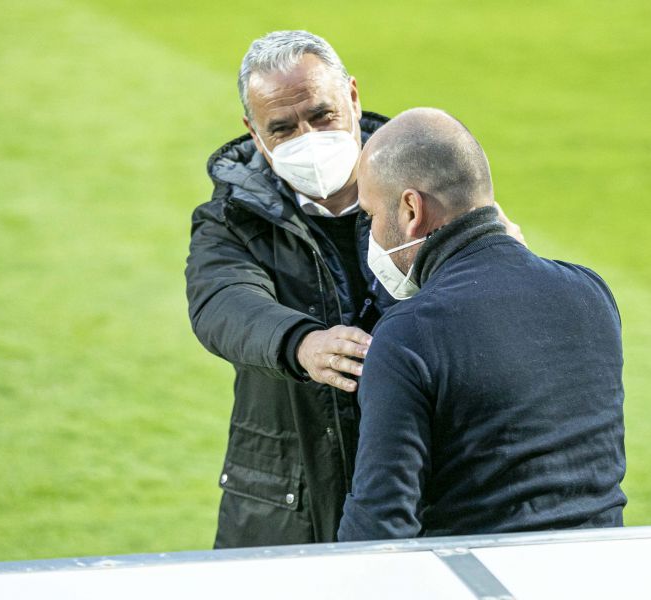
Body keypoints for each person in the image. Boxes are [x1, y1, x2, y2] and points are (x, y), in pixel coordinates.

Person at [185, 31, 524, 548]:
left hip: (429, 481)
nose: (308, 137)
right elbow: (222, 302)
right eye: (283, 128)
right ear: (254, 134)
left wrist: (501, 259)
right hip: (289, 499)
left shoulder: (430, 181)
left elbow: (487, 286)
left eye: (321, 116)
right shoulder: (230, 217)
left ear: (353, 97)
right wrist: (301, 343)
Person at [338, 108, 627, 541]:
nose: (372, 234)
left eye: (371, 216)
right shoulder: (590, 293)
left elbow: (379, 528)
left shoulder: (408, 335)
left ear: (411, 209)